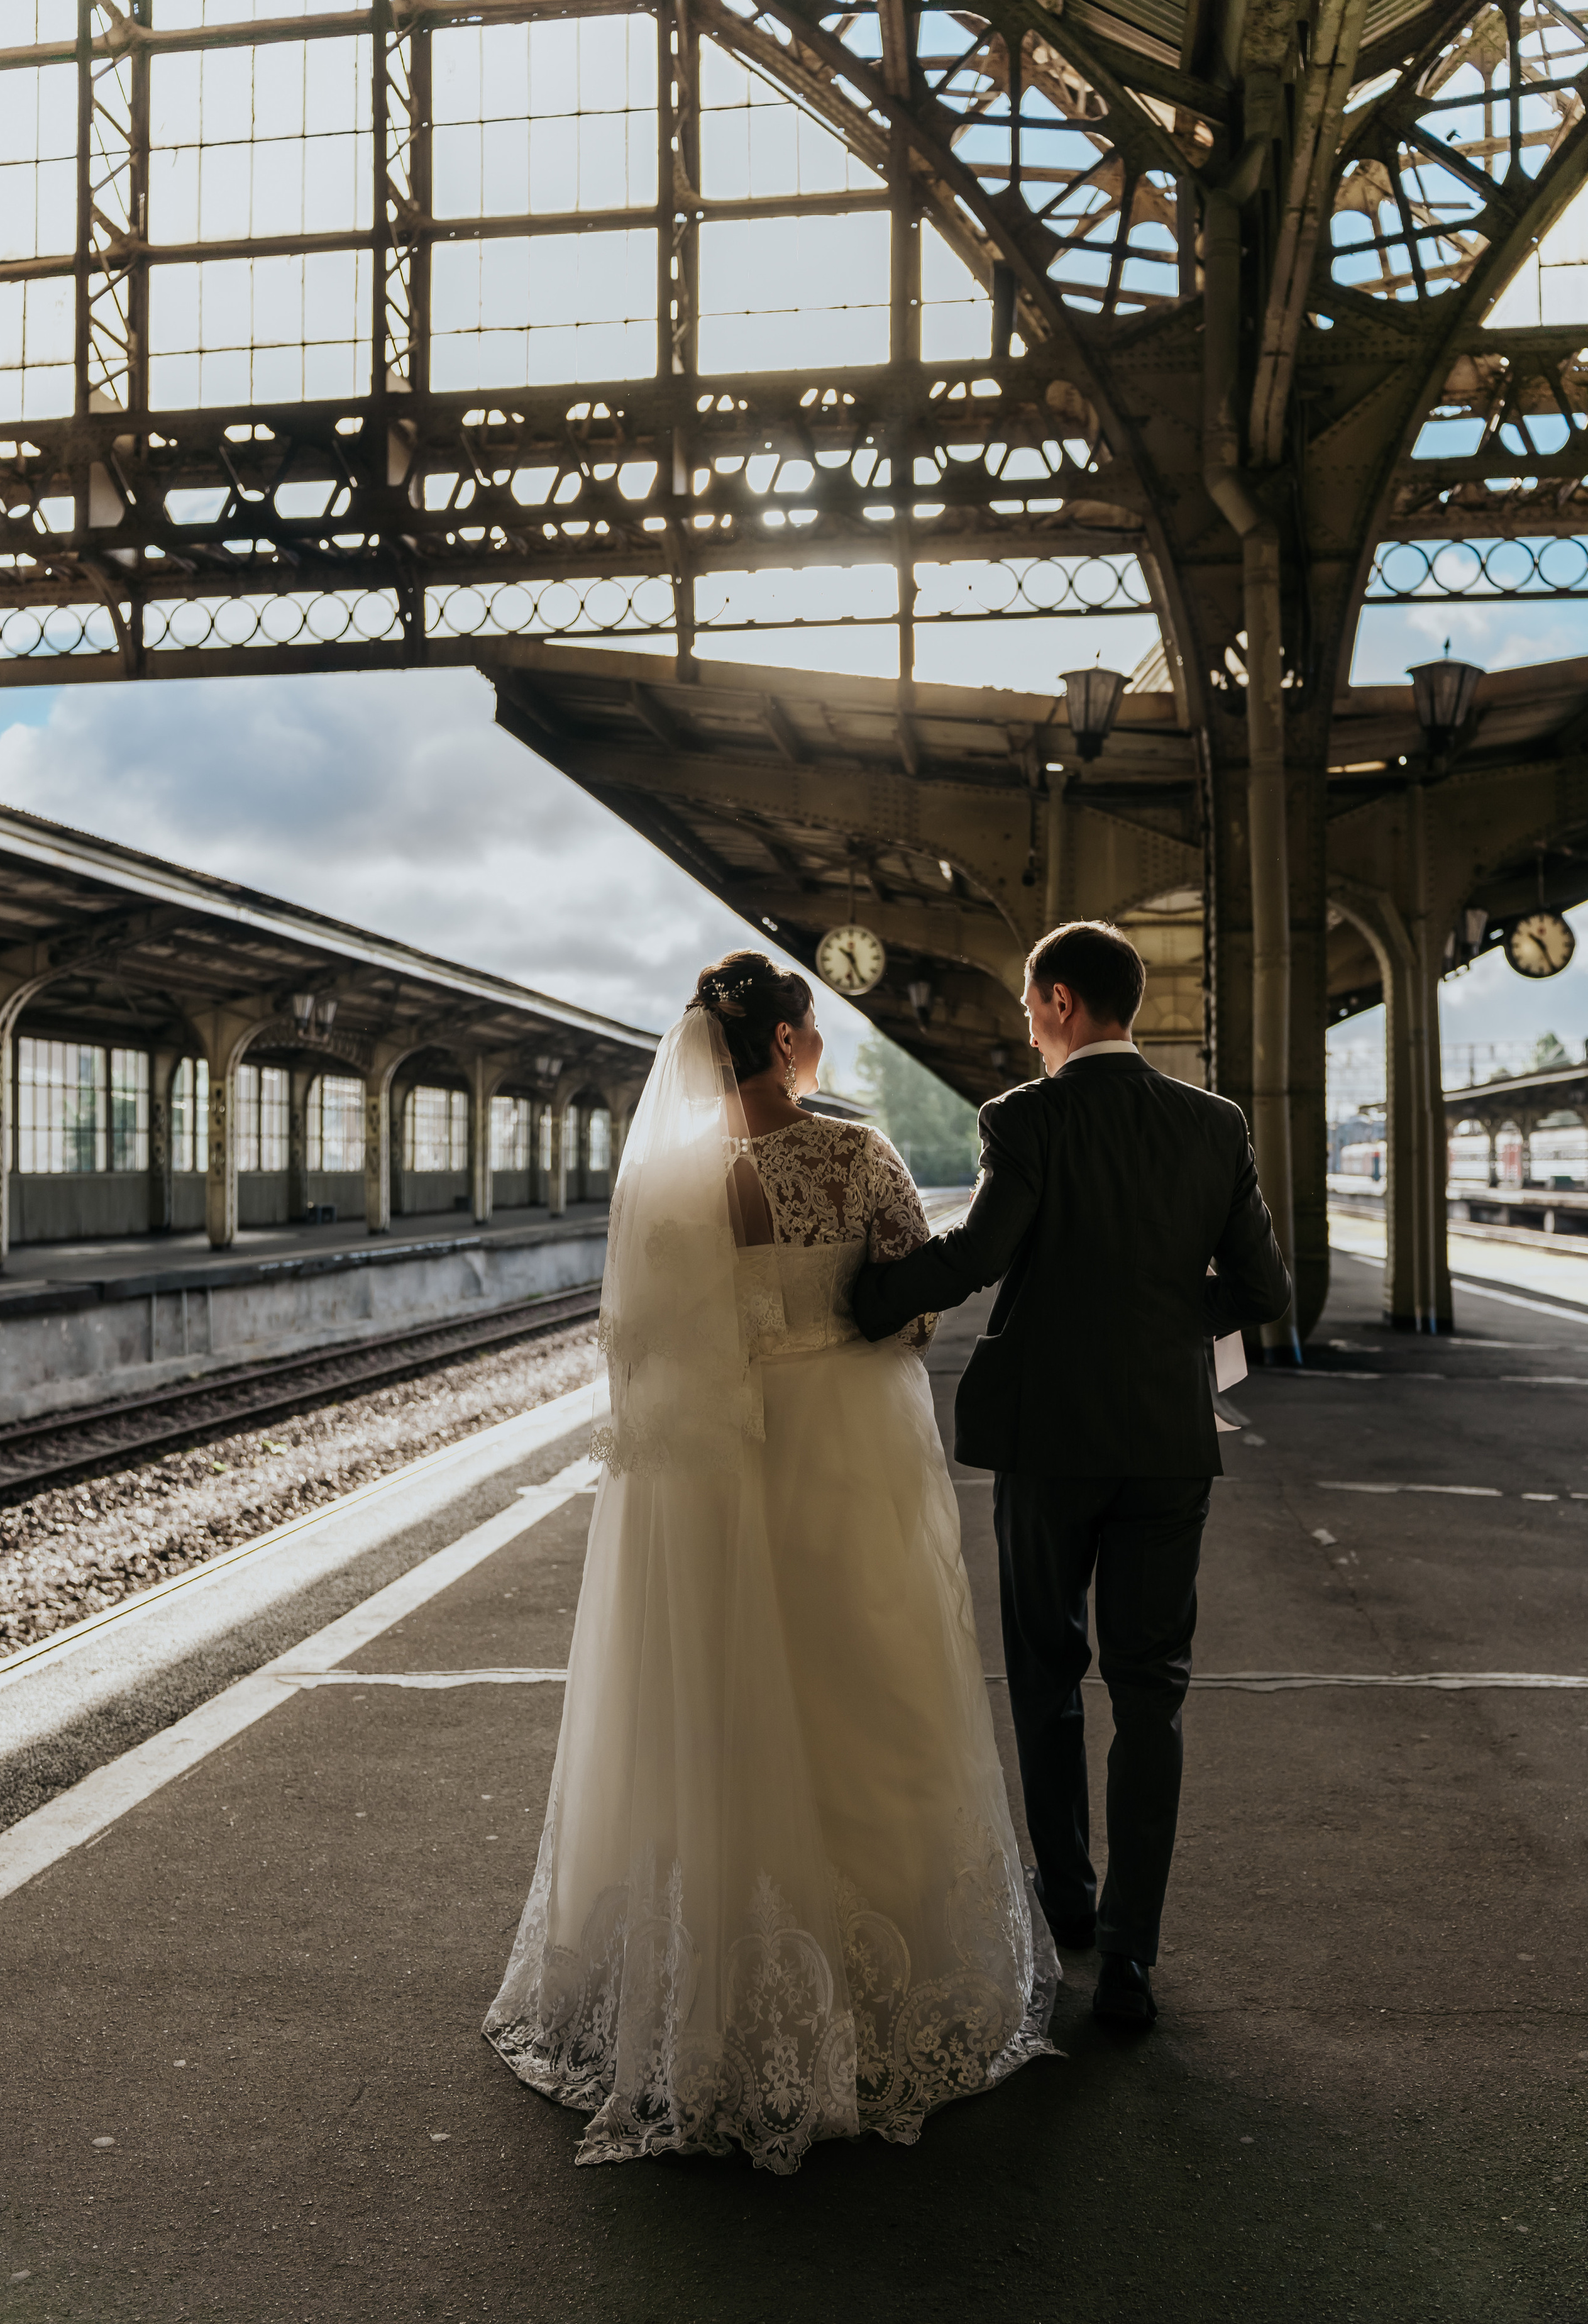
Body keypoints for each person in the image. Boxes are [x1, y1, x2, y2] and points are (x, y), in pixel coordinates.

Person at [484, 951, 1057, 2173]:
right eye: (811, 1029)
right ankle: (881, 1989)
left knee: (711, 1720)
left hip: (706, 1479)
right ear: (794, 1040)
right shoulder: (853, 1158)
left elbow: (635, 1348)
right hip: (844, 1452)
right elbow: (909, 1308)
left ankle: (701, 2004)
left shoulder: (667, 1184)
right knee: (869, 1693)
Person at [852, 919, 1293, 2029]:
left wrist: (866, 1296)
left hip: (1050, 1440)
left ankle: (1070, 1903)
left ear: (1055, 1003)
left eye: (1028, 1012)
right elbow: (1260, 1289)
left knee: (1047, 1680)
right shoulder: (1214, 1124)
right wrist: (1154, 1322)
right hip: (1164, 1441)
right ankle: (1134, 1961)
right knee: (1154, 1693)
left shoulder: (1027, 1118)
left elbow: (982, 1255)